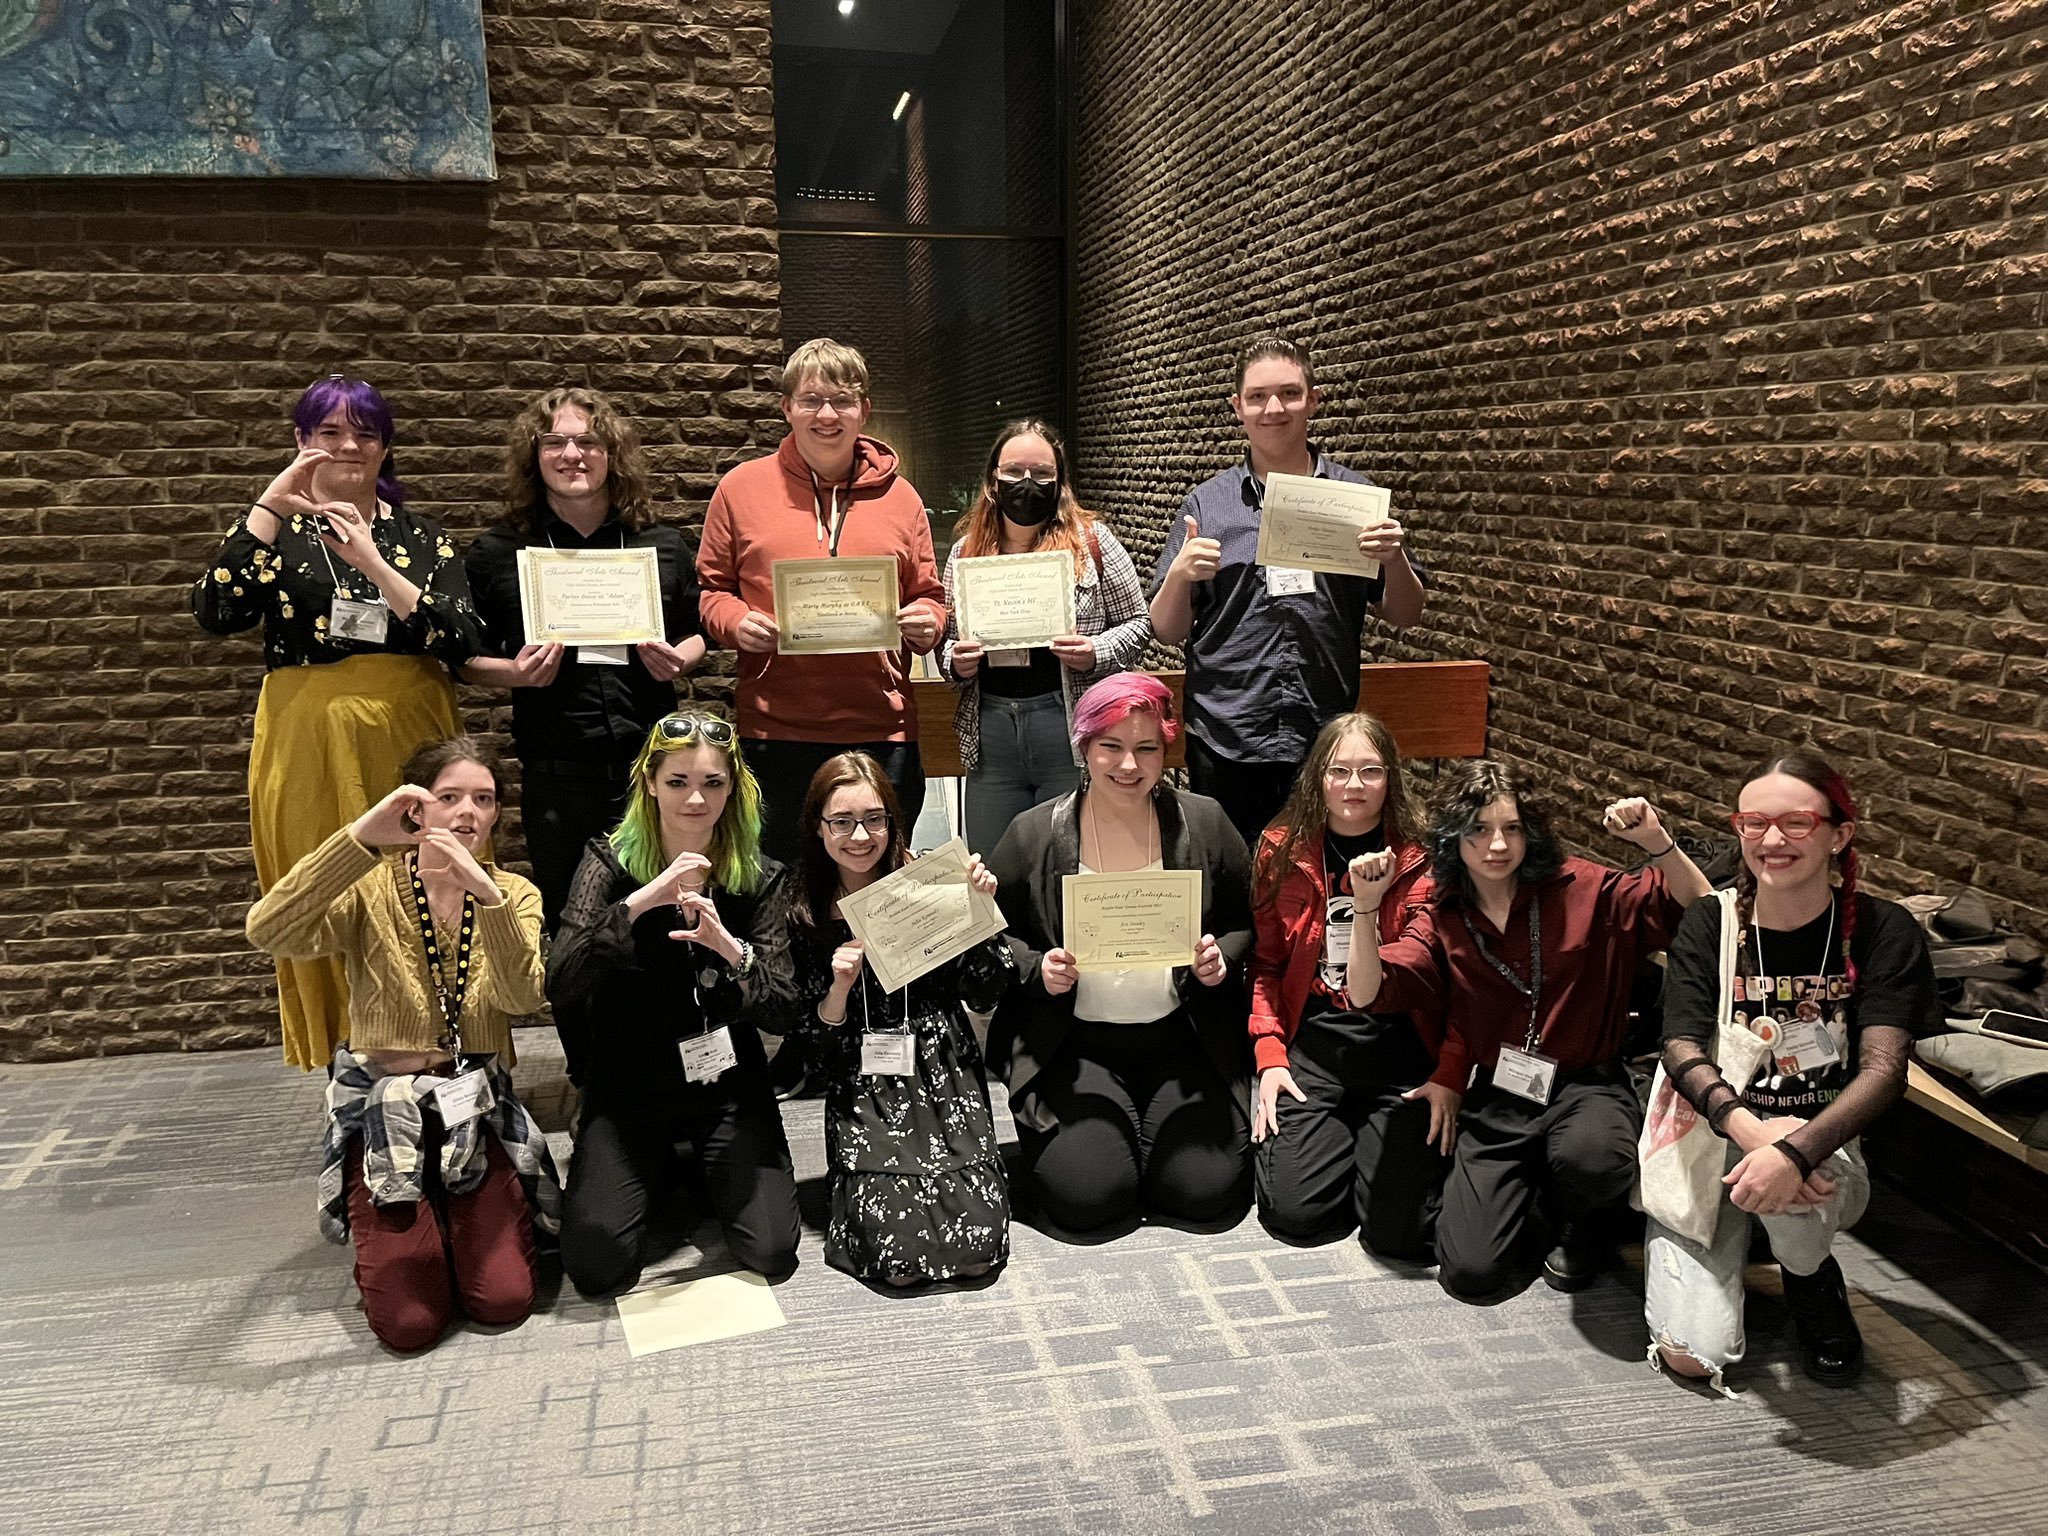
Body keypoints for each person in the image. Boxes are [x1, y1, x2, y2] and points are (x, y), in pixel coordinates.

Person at [193, 375, 484, 1068]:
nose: (349, 445)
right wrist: (269, 502)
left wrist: (377, 565)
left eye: (367, 432)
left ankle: (445, 1044)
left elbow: (461, 637)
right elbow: (216, 611)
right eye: (329, 432)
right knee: (324, 875)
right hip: (308, 736)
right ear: (302, 442)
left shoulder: (420, 537)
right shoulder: (277, 531)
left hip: (413, 729)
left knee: (431, 873)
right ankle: (347, 1059)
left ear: (386, 448)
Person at [1347, 761, 1712, 1303]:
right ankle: (1537, 1196)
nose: (1497, 845)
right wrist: (1364, 910)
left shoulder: (1584, 887)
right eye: (1479, 829)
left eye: (1511, 828)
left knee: (1593, 1159)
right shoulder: (1445, 913)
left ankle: (1580, 1218)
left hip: (1587, 1083)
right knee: (1469, 1273)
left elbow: (1704, 913)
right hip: (1502, 1091)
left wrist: (1658, 844)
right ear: (1454, 836)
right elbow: (1366, 991)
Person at [244, 736, 557, 1352]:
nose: (468, 812)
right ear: (418, 809)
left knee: (503, 1300)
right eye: (449, 797)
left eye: (484, 799)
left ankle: (456, 1206)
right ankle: (415, 1214)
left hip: (473, 1104)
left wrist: (485, 896)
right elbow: (271, 929)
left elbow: (523, 997)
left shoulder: (513, 893)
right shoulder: (370, 888)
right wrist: (359, 839)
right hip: (387, 1108)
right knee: (410, 1325)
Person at [1646, 750, 1937, 1391]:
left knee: (1795, 1209)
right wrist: (1757, 1135)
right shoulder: (1711, 921)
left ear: (1839, 835)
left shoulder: (1884, 931)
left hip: (1823, 1149)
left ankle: (1809, 1280)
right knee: (1694, 1356)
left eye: (1796, 823)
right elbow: (1681, 1049)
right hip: (1709, 1140)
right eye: (1754, 823)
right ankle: (1749, 1240)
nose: (1772, 840)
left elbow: (1885, 1071)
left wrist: (1796, 1151)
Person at [987, 674, 1253, 1238]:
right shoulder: (1034, 833)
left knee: (1203, 1193)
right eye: (1111, 746)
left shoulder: (1204, 821)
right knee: (1087, 1199)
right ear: (1083, 746)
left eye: (1146, 748)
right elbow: (993, 930)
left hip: (1183, 1040)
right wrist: (1038, 970)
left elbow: (1245, 919)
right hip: (1075, 1048)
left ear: (1166, 750)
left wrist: (1220, 959)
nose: (1128, 766)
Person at [547, 712, 802, 1293]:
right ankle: (659, 1166)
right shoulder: (608, 862)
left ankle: (685, 1171)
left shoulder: (759, 875)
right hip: (629, 1084)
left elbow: (784, 1009)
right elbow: (560, 981)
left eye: (712, 783)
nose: (695, 798)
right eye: (678, 782)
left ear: (732, 788)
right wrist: (638, 903)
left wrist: (731, 950)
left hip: (726, 1084)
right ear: (650, 785)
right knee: (597, 1264)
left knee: (771, 1250)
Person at [1148, 337, 1427, 849]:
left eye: (1289, 393)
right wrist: (1180, 575)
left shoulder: (1356, 499)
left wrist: (1394, 558)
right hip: (1226, 735)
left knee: (1321, 885)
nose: (1273, 408)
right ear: (1237, 407)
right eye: (1257, 397)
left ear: (1313, 400)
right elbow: (1166, 629)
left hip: (1326, 738)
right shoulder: (1206, 504)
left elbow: (1406, 614)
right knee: (1233, 886)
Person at [463, 386, 705, 954]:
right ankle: (587, 1044)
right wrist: (515, 674)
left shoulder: (660, 545)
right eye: (556, 442)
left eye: (588, 442)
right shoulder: (500, 551)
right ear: (535, 455)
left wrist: (680, 659)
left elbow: (703, 629)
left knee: (664, 918)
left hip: (652, 772)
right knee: (574, 925)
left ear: (612, 453)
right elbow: (464, 660)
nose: (573, 454)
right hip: (557, 771)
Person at [696, 338, 947, 863]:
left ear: (864, 411)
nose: (826, 414)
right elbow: (712, 591)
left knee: (878, 887)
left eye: (842, 399)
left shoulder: (903, 498)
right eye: (810, 399)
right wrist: (736, 622)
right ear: (787, 407)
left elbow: (929, 596)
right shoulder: (739, 489)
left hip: (882, 728)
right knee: (783, 881)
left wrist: (928, 621)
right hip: (776, 728)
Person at [777, 753, 1015, 1284]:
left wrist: (980, 916)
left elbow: (983, 993)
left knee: (976, 1245)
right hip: (861, 1068)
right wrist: (837, 990)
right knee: (896, 1255)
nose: (860, 836)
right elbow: (810, 1046)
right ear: (818, 827)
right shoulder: (801, 907)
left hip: (940, 1058)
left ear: (893, 822)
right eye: (842, 821)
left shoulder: (929, 879)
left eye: (874, 819)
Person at [1247, 713, 1447, 1259]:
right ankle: (1340, 1140)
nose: (1354, 786)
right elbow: (1266, 965)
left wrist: (1367, 905)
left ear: (1392, 779)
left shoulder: (1421, 855)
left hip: (1399, 1041)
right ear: (1318, 778)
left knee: (1398, 1235)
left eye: (1371, 772)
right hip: (1316, 1036)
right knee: (1297, 1214)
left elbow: (1436, 976)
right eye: (1339, 771)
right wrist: (1270, 1057)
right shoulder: (1282, 848)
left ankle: (1375, 1147)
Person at [939, 419, 1151, 859]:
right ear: (992, 479)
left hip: (1069, 727)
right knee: (993, 867)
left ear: (1060, 481)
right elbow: (946, 642)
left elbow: (1137, 622)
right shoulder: (966, 552)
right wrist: (956, 663)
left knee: (1068, 863)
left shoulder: (1093, 543)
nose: (1027, 484)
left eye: (1041, 473)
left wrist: (1096, 652)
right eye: (1014, 471)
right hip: (991, 732)